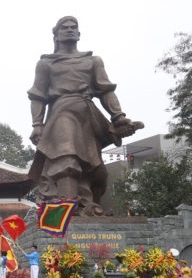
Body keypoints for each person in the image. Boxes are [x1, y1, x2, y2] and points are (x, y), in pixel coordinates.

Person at [27, 16, 143, 216]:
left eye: (74, 27)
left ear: (79, 34)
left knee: (96, 170)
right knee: (66, 158)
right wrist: (37, 124)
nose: (70, 30)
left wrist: (118, 116)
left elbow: (105, 91)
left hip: (88, 114)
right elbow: (38, 95)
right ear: (56, 35)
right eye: (65, 28)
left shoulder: (93, 61)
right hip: (62, 112)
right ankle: (66, 211)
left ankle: (89, 208)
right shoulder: (46, 64)